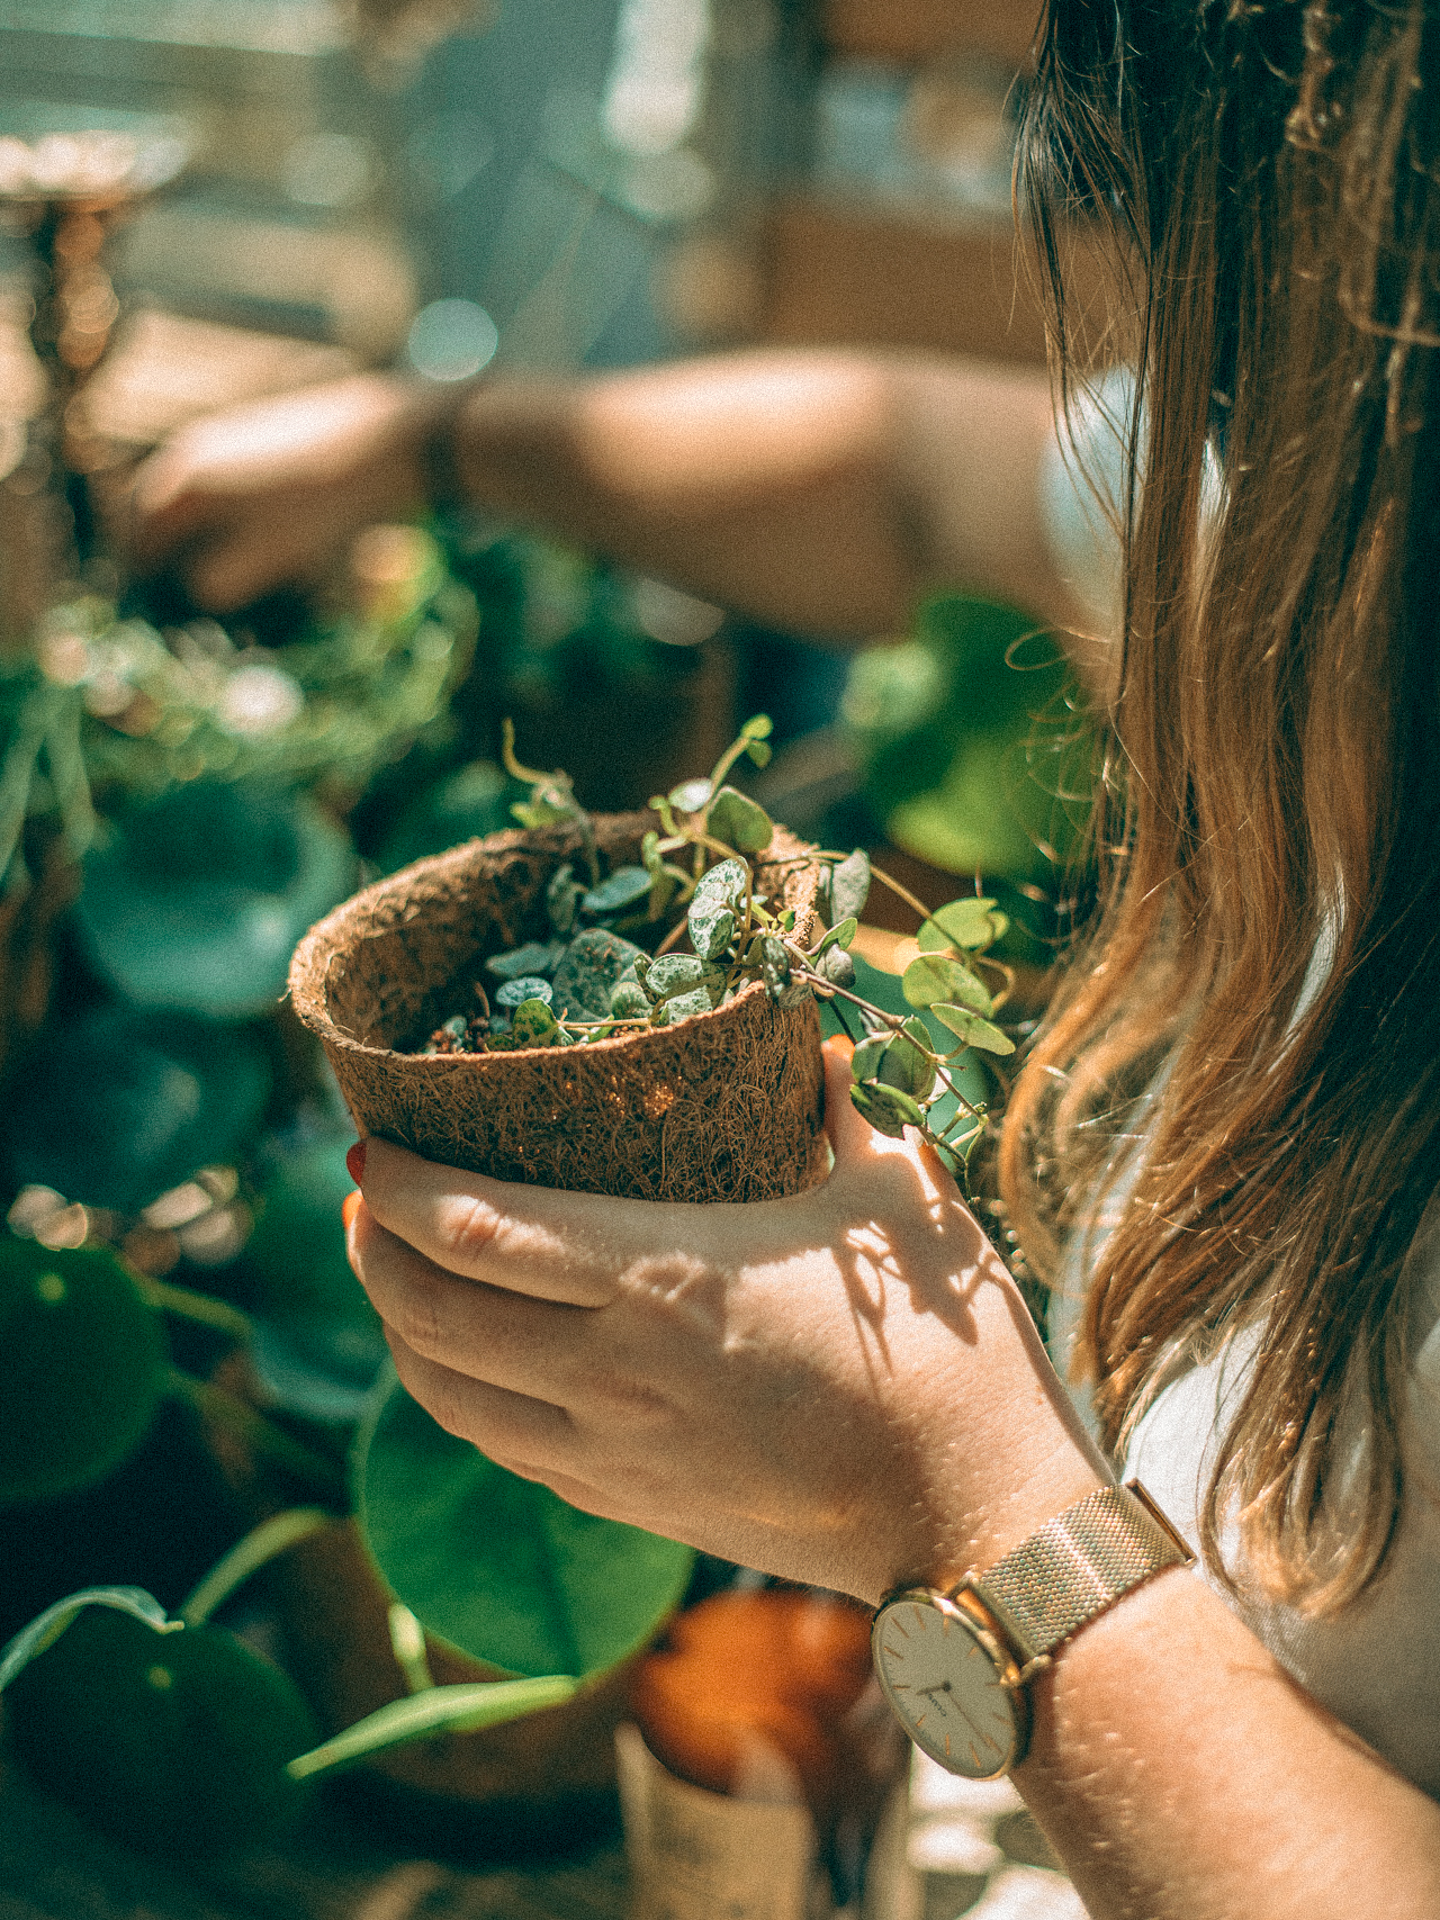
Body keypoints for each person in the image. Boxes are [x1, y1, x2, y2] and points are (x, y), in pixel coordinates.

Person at [129, 0, 1440, 1909]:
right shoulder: (1328, 558)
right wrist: (425, 442)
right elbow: (914, 469)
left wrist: (966, 1506)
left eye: (1232, 326)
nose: (1197, 442)